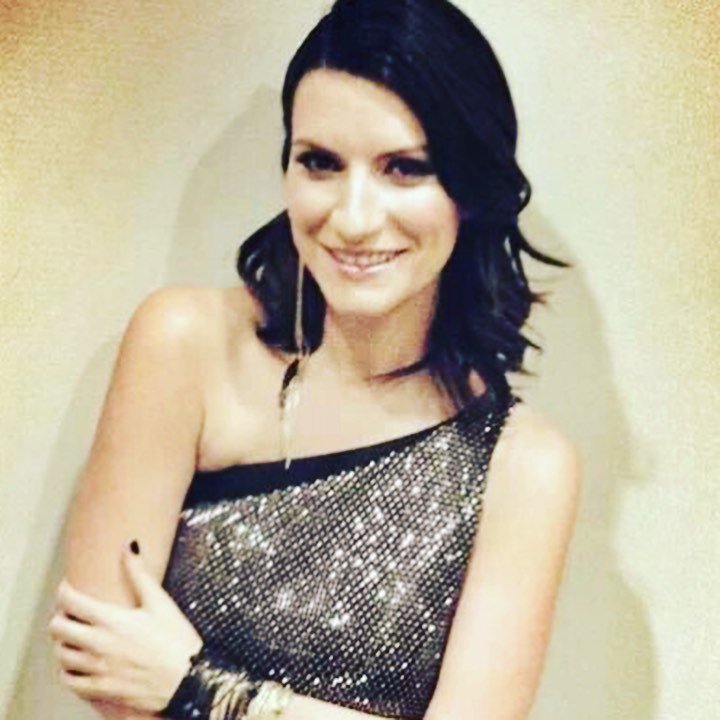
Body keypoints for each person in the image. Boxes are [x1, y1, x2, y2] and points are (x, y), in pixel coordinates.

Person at [48, 0, 581, 718]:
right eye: (321, 163)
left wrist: (200, 690)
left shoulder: (521, 466)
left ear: (470, 189)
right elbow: (100, 661)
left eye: (405, 168)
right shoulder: (184, 344)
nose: (354, 218)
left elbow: (153, 682)